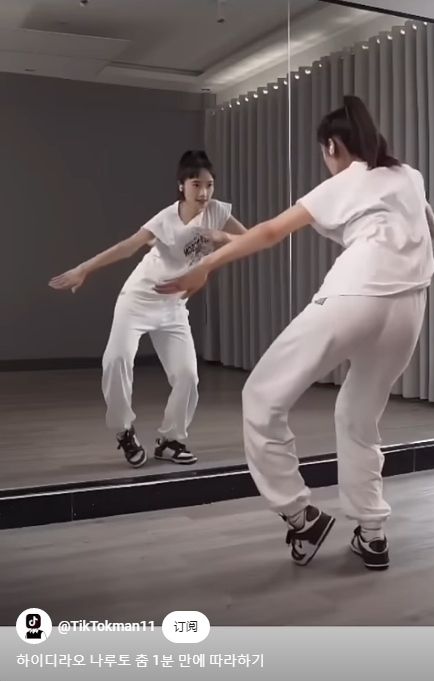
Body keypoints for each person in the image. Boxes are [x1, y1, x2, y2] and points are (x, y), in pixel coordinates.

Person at [155, 96, 434, 572]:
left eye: (324, 152)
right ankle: (372, 532)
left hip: (354, 296)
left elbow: (269, 231)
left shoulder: (343, 180)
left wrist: (204, 266)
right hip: (410, 308)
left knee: (262, 396)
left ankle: (300, 516)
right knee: (359, 416)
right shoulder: (409, 176)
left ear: (332, 146)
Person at [49, 150, 247, 468]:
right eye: (196, 185)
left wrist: (221, 236)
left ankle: (171, 441)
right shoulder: (165, 219)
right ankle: (123, 430)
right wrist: (83, 269)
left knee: (187, 376)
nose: (204, 193)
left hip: (173, 305)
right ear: (181, 185)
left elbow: (249, 240)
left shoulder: (217, 212)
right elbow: (128, 246)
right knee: (116, 360)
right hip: (139, 299)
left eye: (209, 185)